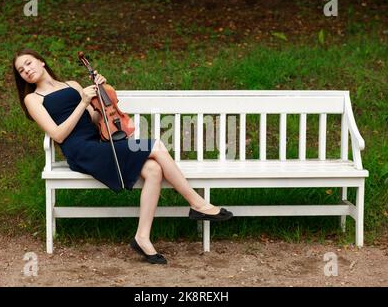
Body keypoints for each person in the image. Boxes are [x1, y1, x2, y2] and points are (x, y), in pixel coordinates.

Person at [12, 48, 233, 264]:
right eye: (21, 70)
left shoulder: (73, 85)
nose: (26, 70)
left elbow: (95, 120)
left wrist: (102, 95)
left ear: (41, 61)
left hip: (97, 144)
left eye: (29, 63)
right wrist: (82, 102)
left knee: (153, 170)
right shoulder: (34, 99)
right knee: (154, 145)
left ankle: (142, 237)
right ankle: (197, 203)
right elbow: (58, 135)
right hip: (80, 151)